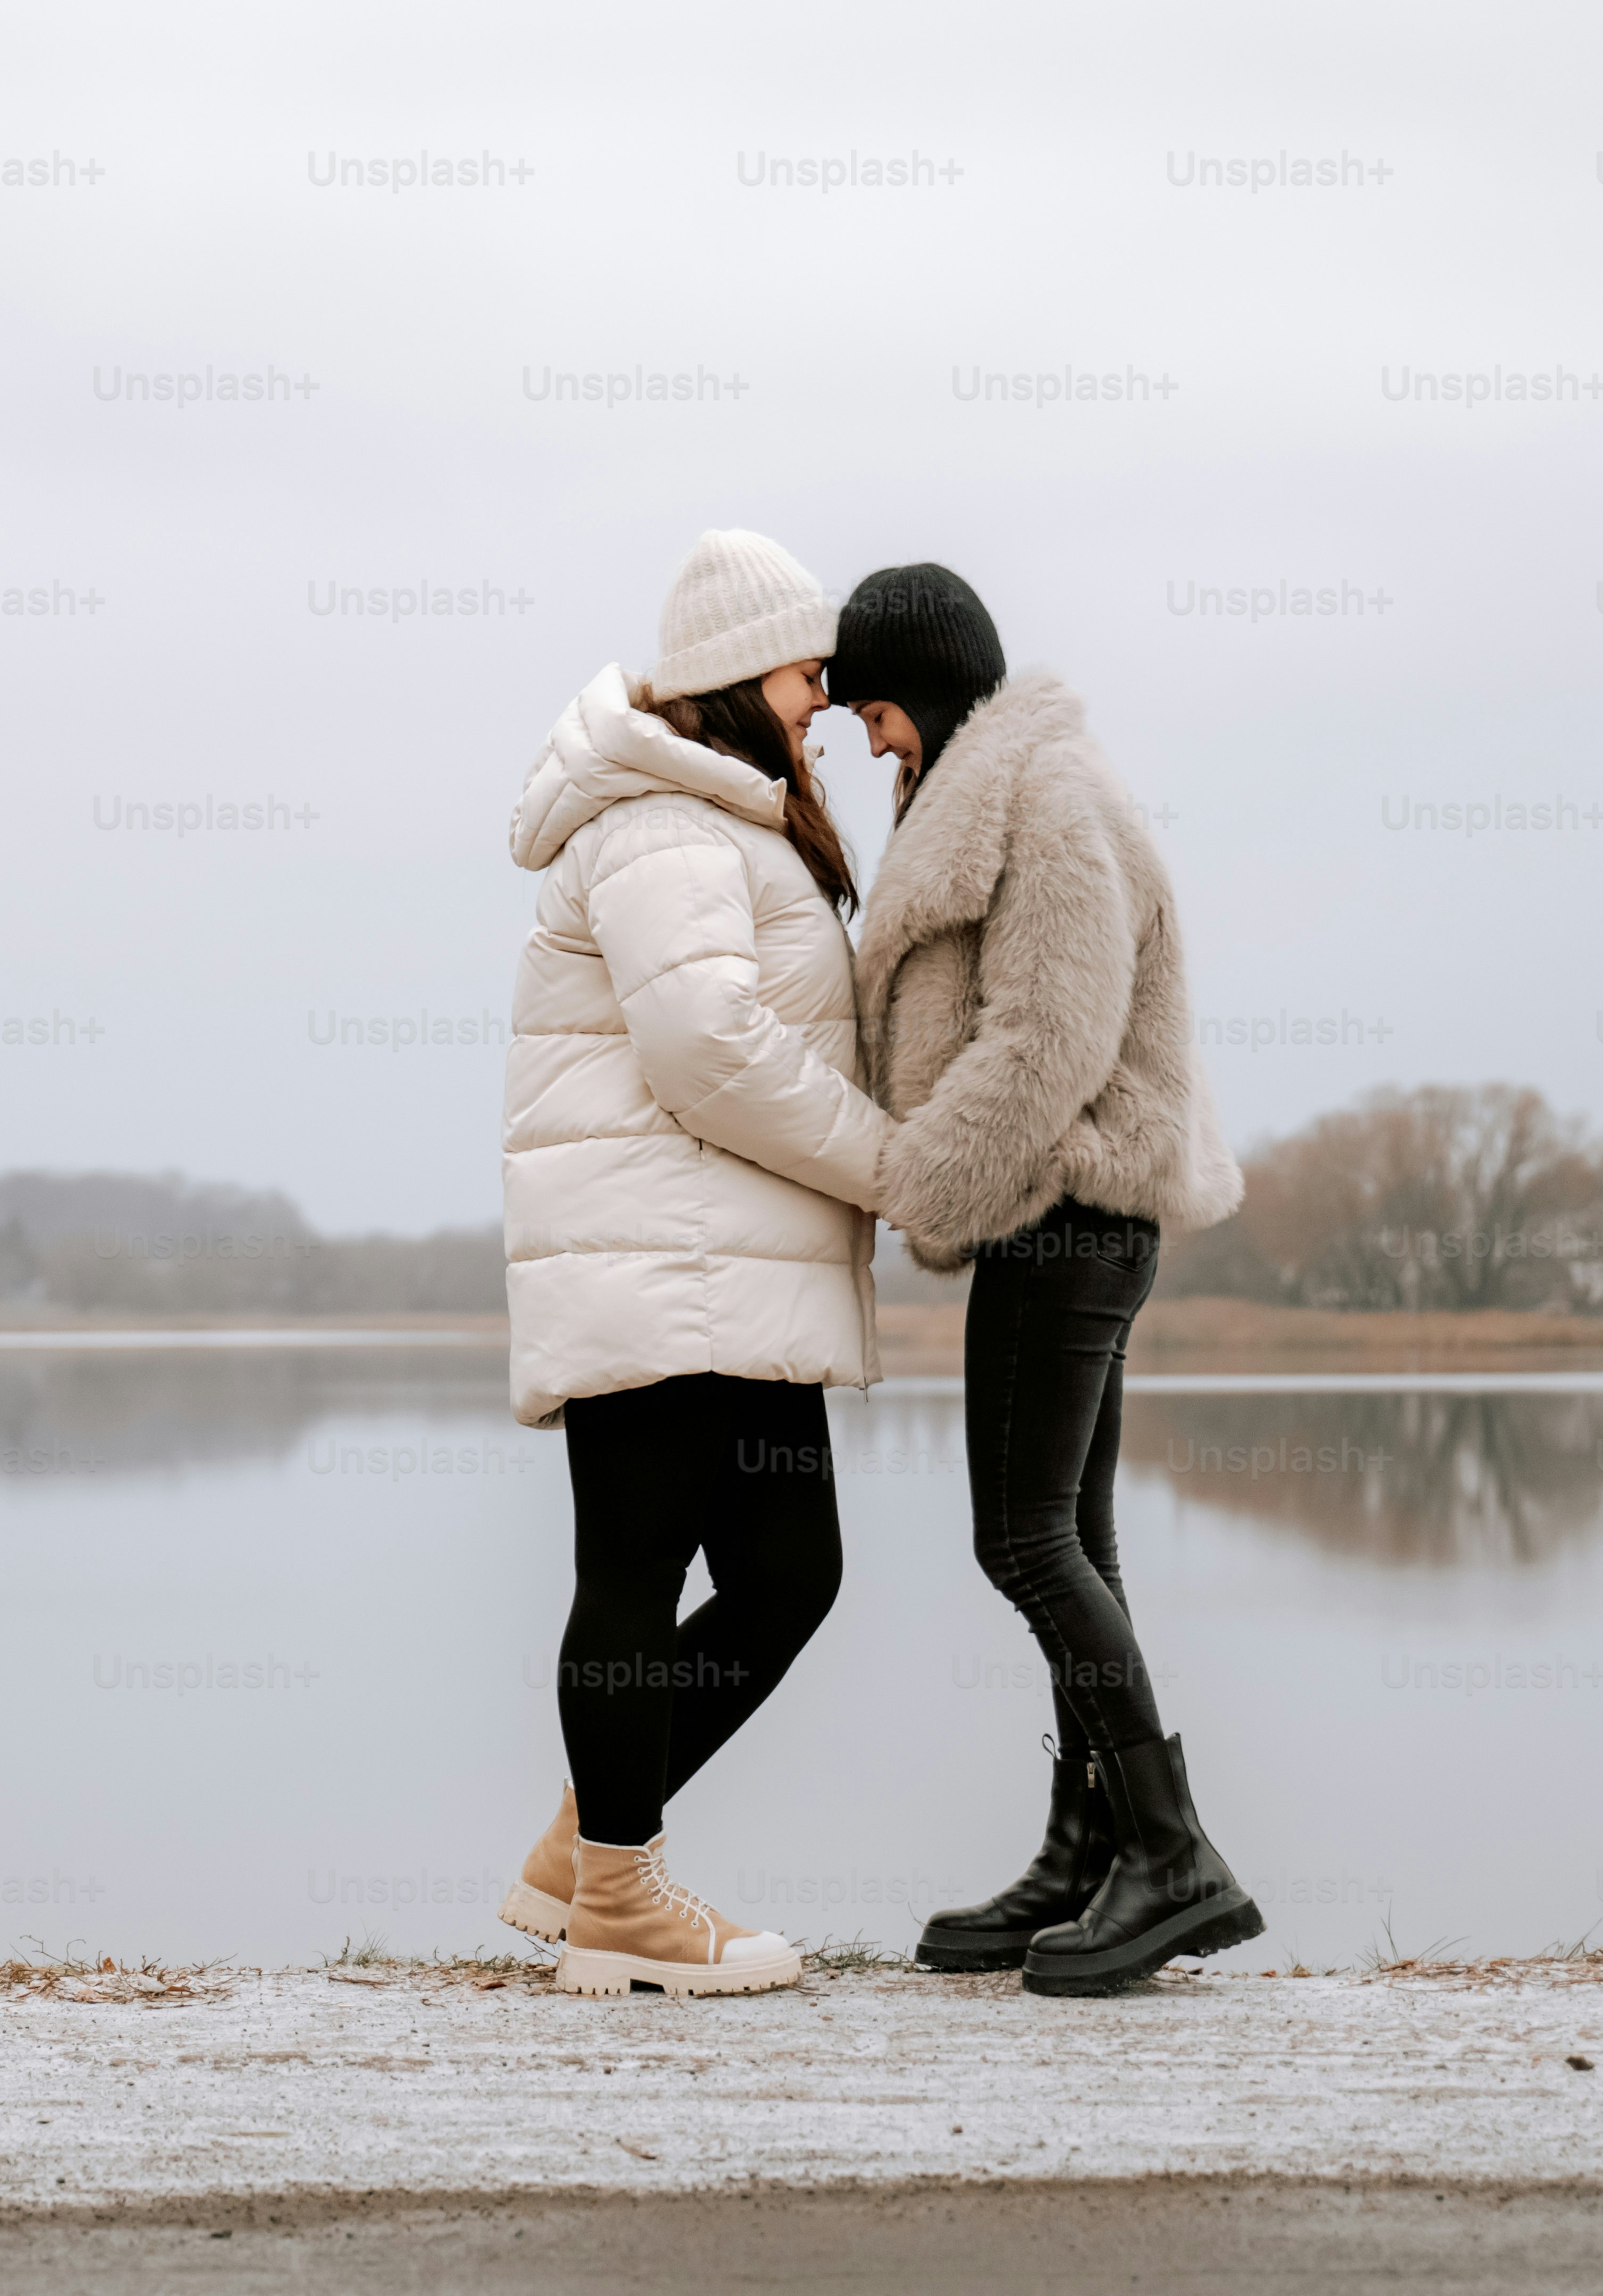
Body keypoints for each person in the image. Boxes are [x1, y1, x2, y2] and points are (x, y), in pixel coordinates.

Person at [830, 562, 1264, 1997]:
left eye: (879, 710)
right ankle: (1094, 1846)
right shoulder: (1005, 791)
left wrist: (916, 1180)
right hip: (1062, 1213)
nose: (873, 741)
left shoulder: (1049, 796)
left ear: (934, 689)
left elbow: (1048, 1040)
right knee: (1074, 1535)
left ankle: (1173, 1848)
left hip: (1067, 1208)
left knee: (1022, 1541)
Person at [495, 529, 896, 1998]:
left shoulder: (722, 817)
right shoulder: (666, 825)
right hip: (658, 1262)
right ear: (738, 677)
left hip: (726, 1267)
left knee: (791, 1574)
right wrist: (892, 1163)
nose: (822, 707)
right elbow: (706, 1047)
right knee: (638, 1571)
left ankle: (588, 1852)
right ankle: (620, 1903)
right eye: (805, 675)